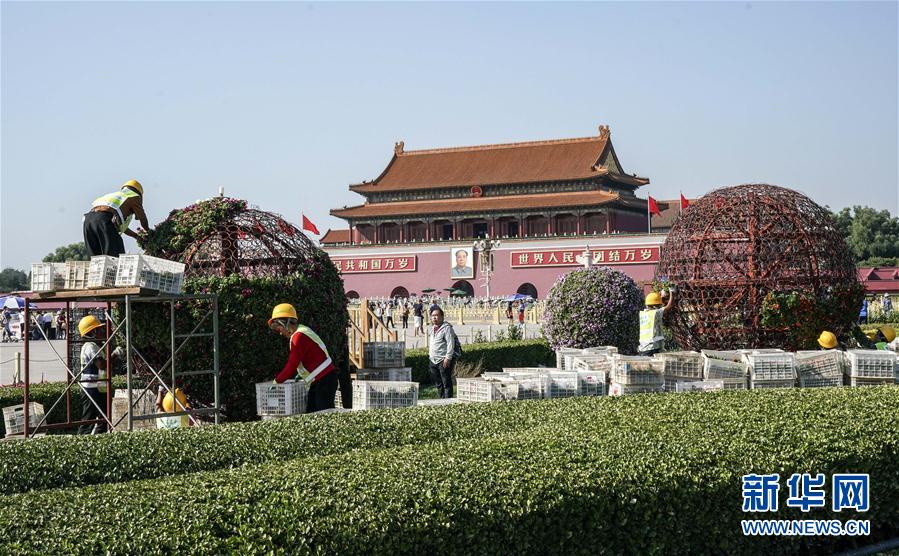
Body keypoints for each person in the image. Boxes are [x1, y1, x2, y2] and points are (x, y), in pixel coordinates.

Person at [268, 303, 338, 413]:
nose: (280, 333)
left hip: (324, 380)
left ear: (285, 323)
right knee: (312, 415)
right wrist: (300, 374)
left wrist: (277, 382)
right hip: (321, 379)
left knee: (324, 416)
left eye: (279, 329)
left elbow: (292, 365)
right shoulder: (302, 331)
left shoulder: (298, 336)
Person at [83, 179, 151, 257]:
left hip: (88, 221)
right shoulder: (134, 197)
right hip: (104, 220)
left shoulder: (116, 196)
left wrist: (136, 236)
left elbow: (121, 228)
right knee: (115, 257)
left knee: (96, 258)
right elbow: (143, 219)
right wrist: (149, 232)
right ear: (139, 193)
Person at [77, 315, 109, 434]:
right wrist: (115, 355)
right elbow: (101, 365)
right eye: (99, 329)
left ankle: (99, 438)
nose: (102, 331)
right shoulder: (90, 347)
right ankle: (82, 439)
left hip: (98, 387)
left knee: (103, 418)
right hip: (90, 388)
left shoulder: (96, 345)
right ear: (92, 332)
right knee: (88, 419)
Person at [428, 307, 459, 399]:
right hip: (433, 360)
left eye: (437, 315)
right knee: (438, 383)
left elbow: (450, 344)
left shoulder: (447, 328)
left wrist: (448, 358)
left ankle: (448, 402)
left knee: (446, 383)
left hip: (443, 360)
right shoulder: (433, 328)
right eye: (433, 316)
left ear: (442, 317)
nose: (434, 317)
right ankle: (441, 400)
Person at [639, 287, 677, 355]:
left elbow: (653, 300)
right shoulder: (656, 313)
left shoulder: (643, 314)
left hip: (643, 348)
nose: (660, 306)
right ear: (654, 307)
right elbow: (669, 307)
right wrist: (672, 293)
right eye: (659, 305)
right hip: (652, 348)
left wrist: (660, 294)